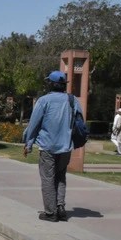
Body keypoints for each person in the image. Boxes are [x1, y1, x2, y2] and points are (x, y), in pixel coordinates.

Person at [22, 71, 83, 222]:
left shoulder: (44, 101)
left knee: (48, 178)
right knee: (61, 176)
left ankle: (50, 212)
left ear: (50, 84)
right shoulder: (72, 100)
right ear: (63, 85)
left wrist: (28, 143)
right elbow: (80, 120)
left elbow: (34, 124)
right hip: (66, 146)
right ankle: (60, 207)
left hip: (48, 146)